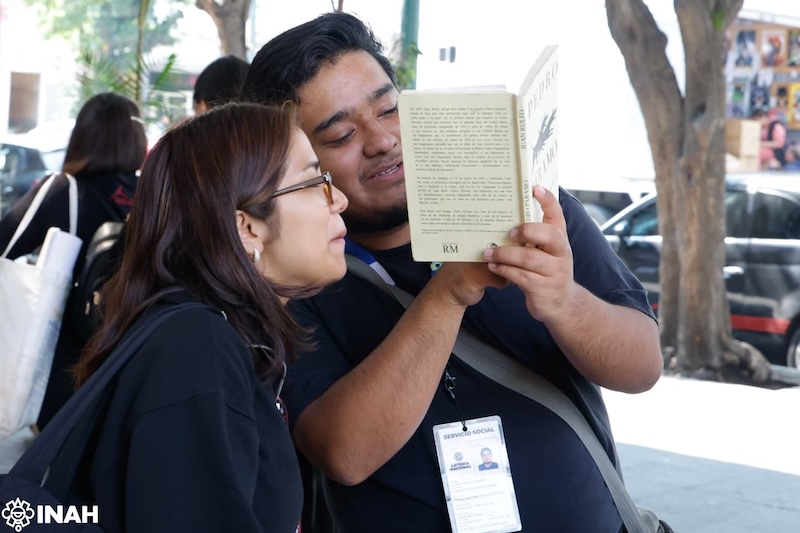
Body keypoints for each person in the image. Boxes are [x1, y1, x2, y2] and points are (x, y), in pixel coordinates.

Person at [241, 12, 663, 532]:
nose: (382, 140)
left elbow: (643, 368)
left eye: (389, 109)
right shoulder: (296, 274)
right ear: (296, 161)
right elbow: (342, 454)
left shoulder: (529, 206)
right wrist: (447, 296)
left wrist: (565, 302)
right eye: (343, 134)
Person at [42, 102, 348, 532]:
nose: (339, 200)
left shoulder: (214, 337)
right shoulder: (197, 350)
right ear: (246, 228)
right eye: (315, 182)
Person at [0, 92, 146, 429]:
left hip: (64, 367)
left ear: (82, 136)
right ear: (136, 139)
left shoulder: (63, 190)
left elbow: (4, 246)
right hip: (130, 363)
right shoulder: (153, 196)